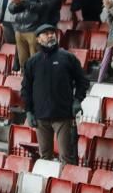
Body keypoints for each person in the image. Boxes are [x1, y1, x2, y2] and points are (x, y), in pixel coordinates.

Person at [22, 24, 89, 163]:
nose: (51, 35)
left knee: (66, 157)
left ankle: (67, 183)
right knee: (45, 157)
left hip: (63, 116)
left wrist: (77, 100)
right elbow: (26, 89)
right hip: (41, 117)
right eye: (46, 33)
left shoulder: (68, 57)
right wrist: (28, 111)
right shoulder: (32, 62)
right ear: (38, 40)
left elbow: (83, 82)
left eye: (52, 32)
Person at [6, 0, 53, 69]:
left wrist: (24, 2)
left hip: (35, 29)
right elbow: (11, 9)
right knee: (23, 64)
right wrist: (16, 4)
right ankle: (25, 85)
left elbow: (44, 8)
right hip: (19, 28)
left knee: (36, 64)